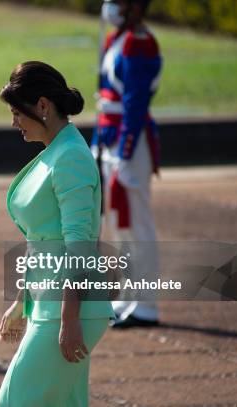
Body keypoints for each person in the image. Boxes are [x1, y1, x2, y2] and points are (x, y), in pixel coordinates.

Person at [0, 61, 114, 406]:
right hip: (50, 306)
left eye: (18, 112)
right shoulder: (57, 152)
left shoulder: (70, 157)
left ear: (43, 106)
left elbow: (79, 246)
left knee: (15, 401)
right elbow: (43, 240)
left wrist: (69, 319)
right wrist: (21, 301)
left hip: (70, 310)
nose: (14, 122)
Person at [93, 0, 162, 328]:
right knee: (121, 225)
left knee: (138, 226)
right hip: (112, 137)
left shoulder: (141, 43)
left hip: (128, 141)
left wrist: (125, 149)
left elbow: (135, 103)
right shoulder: (117, 38)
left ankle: (146, 304)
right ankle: (127, 298)